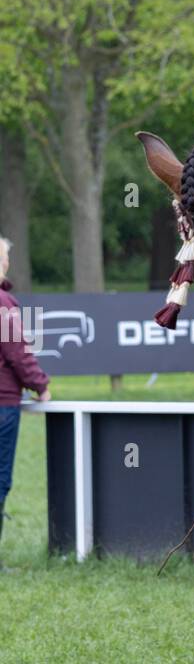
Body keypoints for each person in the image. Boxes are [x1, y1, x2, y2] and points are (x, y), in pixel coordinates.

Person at [0, 237, 51, 553]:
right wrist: (40, 385)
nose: (7, 263)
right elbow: (17, 353)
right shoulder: (4, 304)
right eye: (4, 258)